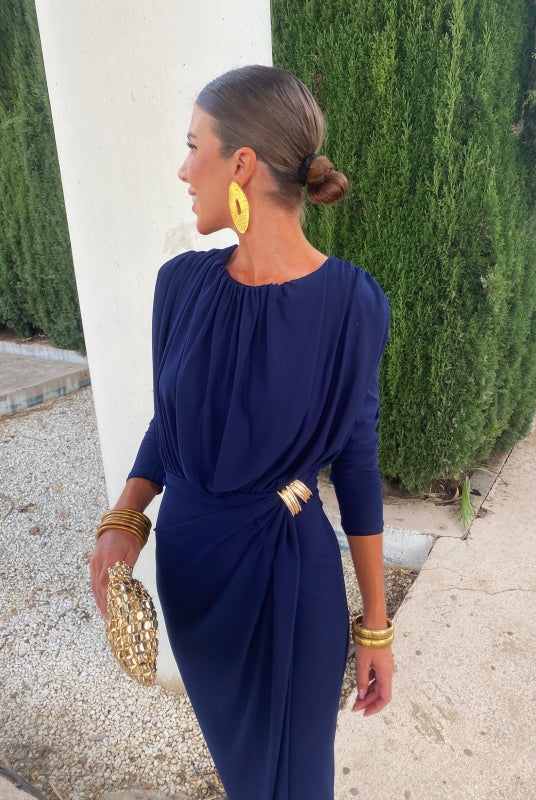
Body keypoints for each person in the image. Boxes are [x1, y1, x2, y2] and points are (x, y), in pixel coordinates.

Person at [90, 64, 393, 800]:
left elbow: (356, 464)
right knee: (243, 778)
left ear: (242, 165)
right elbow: (171, 423)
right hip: (193, 583)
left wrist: (377, 627)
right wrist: (124, 520)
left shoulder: (351, 303)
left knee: (294, 782)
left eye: (194, 146)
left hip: (286, 579)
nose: (182, 169)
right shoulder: (181, 286)